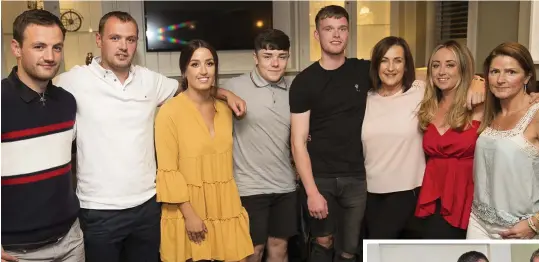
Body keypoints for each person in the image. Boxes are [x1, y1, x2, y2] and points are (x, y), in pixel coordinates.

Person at [54, 11, 246, 262]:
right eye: (115, 38)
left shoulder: (148, 80)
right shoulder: (71, 81)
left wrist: (223, 93)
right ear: (99, 40)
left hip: (147, 206)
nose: (123, 46)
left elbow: (189, 86)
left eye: (130, 39)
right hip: (98, 210)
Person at [155, 39, 253, 262]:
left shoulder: (225, 109)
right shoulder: (170, 112)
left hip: (225, 205)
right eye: (195, 64)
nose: (204, 71)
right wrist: (190, 215)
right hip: (186, 209)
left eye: (209, 63)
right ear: (184, 70)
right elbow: (168, 170)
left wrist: (226, 95)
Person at [1, 9, 84, 262]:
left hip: (71, 241)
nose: (50, 57)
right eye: (39, 46)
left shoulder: (67, 102)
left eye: (56, 48)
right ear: (16, 48)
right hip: (16, 252)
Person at [290, 5, 367, 262]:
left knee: (350, 248)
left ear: (348, 33)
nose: (336, 35)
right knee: (323, 243)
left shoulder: (364, 71)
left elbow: (404, 76)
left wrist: (476, 82)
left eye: (342, 29)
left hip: (357, 177)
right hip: (320, 178)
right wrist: (311, 192)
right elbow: (298, 142)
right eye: (329, 29)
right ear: (317, 35)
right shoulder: (304, 81)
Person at [222, 29, 297, 262]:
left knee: (280, 249)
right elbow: (198, 91)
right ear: (255, 58)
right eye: (267, 56)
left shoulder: (295, 88)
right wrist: (224, 93)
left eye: (282, 56)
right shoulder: (234, 85)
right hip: (249, 187)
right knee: (253, 252)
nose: (275, 63)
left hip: (285, 186)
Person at [468, 42, 539, 239]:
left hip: (520, 230)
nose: (500, 79)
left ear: (527, 76)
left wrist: (535, 224)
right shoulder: (490, 112)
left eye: (510, 72)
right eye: (494, 71)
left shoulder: (536, 113)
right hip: (478, 223)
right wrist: (475, 80)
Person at [415, 40, 484, 239]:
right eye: (435, 65)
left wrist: (480, 81)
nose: (441, 71)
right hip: (431, 194)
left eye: (450, 65)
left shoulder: (480, 101)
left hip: (467, 196)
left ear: (463, 67)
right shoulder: (428, 104)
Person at [362, 36, 426, 239]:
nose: (391, 67)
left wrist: (478, 82)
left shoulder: (420, 91)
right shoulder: (366, 97)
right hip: (370, 193)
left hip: (409, 192)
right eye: (384, 60)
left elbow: (454, 81)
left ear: (406, 65)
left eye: (398, 60)